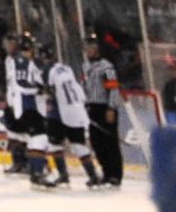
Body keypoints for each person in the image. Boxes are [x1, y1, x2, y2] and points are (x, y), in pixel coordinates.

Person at [48, 44, 100, 189]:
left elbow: (49, 91)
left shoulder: (49, 71)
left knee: (55, 145)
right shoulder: (68, 70)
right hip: (76, 113)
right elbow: (80, 94)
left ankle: (63, 176)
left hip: (59, 114)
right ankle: (93, 177)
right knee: (79, 146)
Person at [1, 35, 48, 181]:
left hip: (30, 103)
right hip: (15, 100)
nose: (9, 46)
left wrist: (40, 89)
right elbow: (11, 83)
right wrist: (9, 100)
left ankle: (37, 164)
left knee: (33, 135)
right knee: (14, 133)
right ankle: (20, 162)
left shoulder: (30, 62)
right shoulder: (10, 60)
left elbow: (29, 83)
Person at [81, 34, 124, 189]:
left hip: (105, 108)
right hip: (92, 108)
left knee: (110, 142)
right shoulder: (85, 66)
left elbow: (113, 88)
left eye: (90, 47)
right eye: (86, 48)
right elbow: (84, 86)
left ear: (96, 49)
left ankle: (115, 175)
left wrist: (111, 107)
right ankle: (106, 172)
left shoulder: (106, 66)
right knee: (96, 142)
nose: (87, 51)